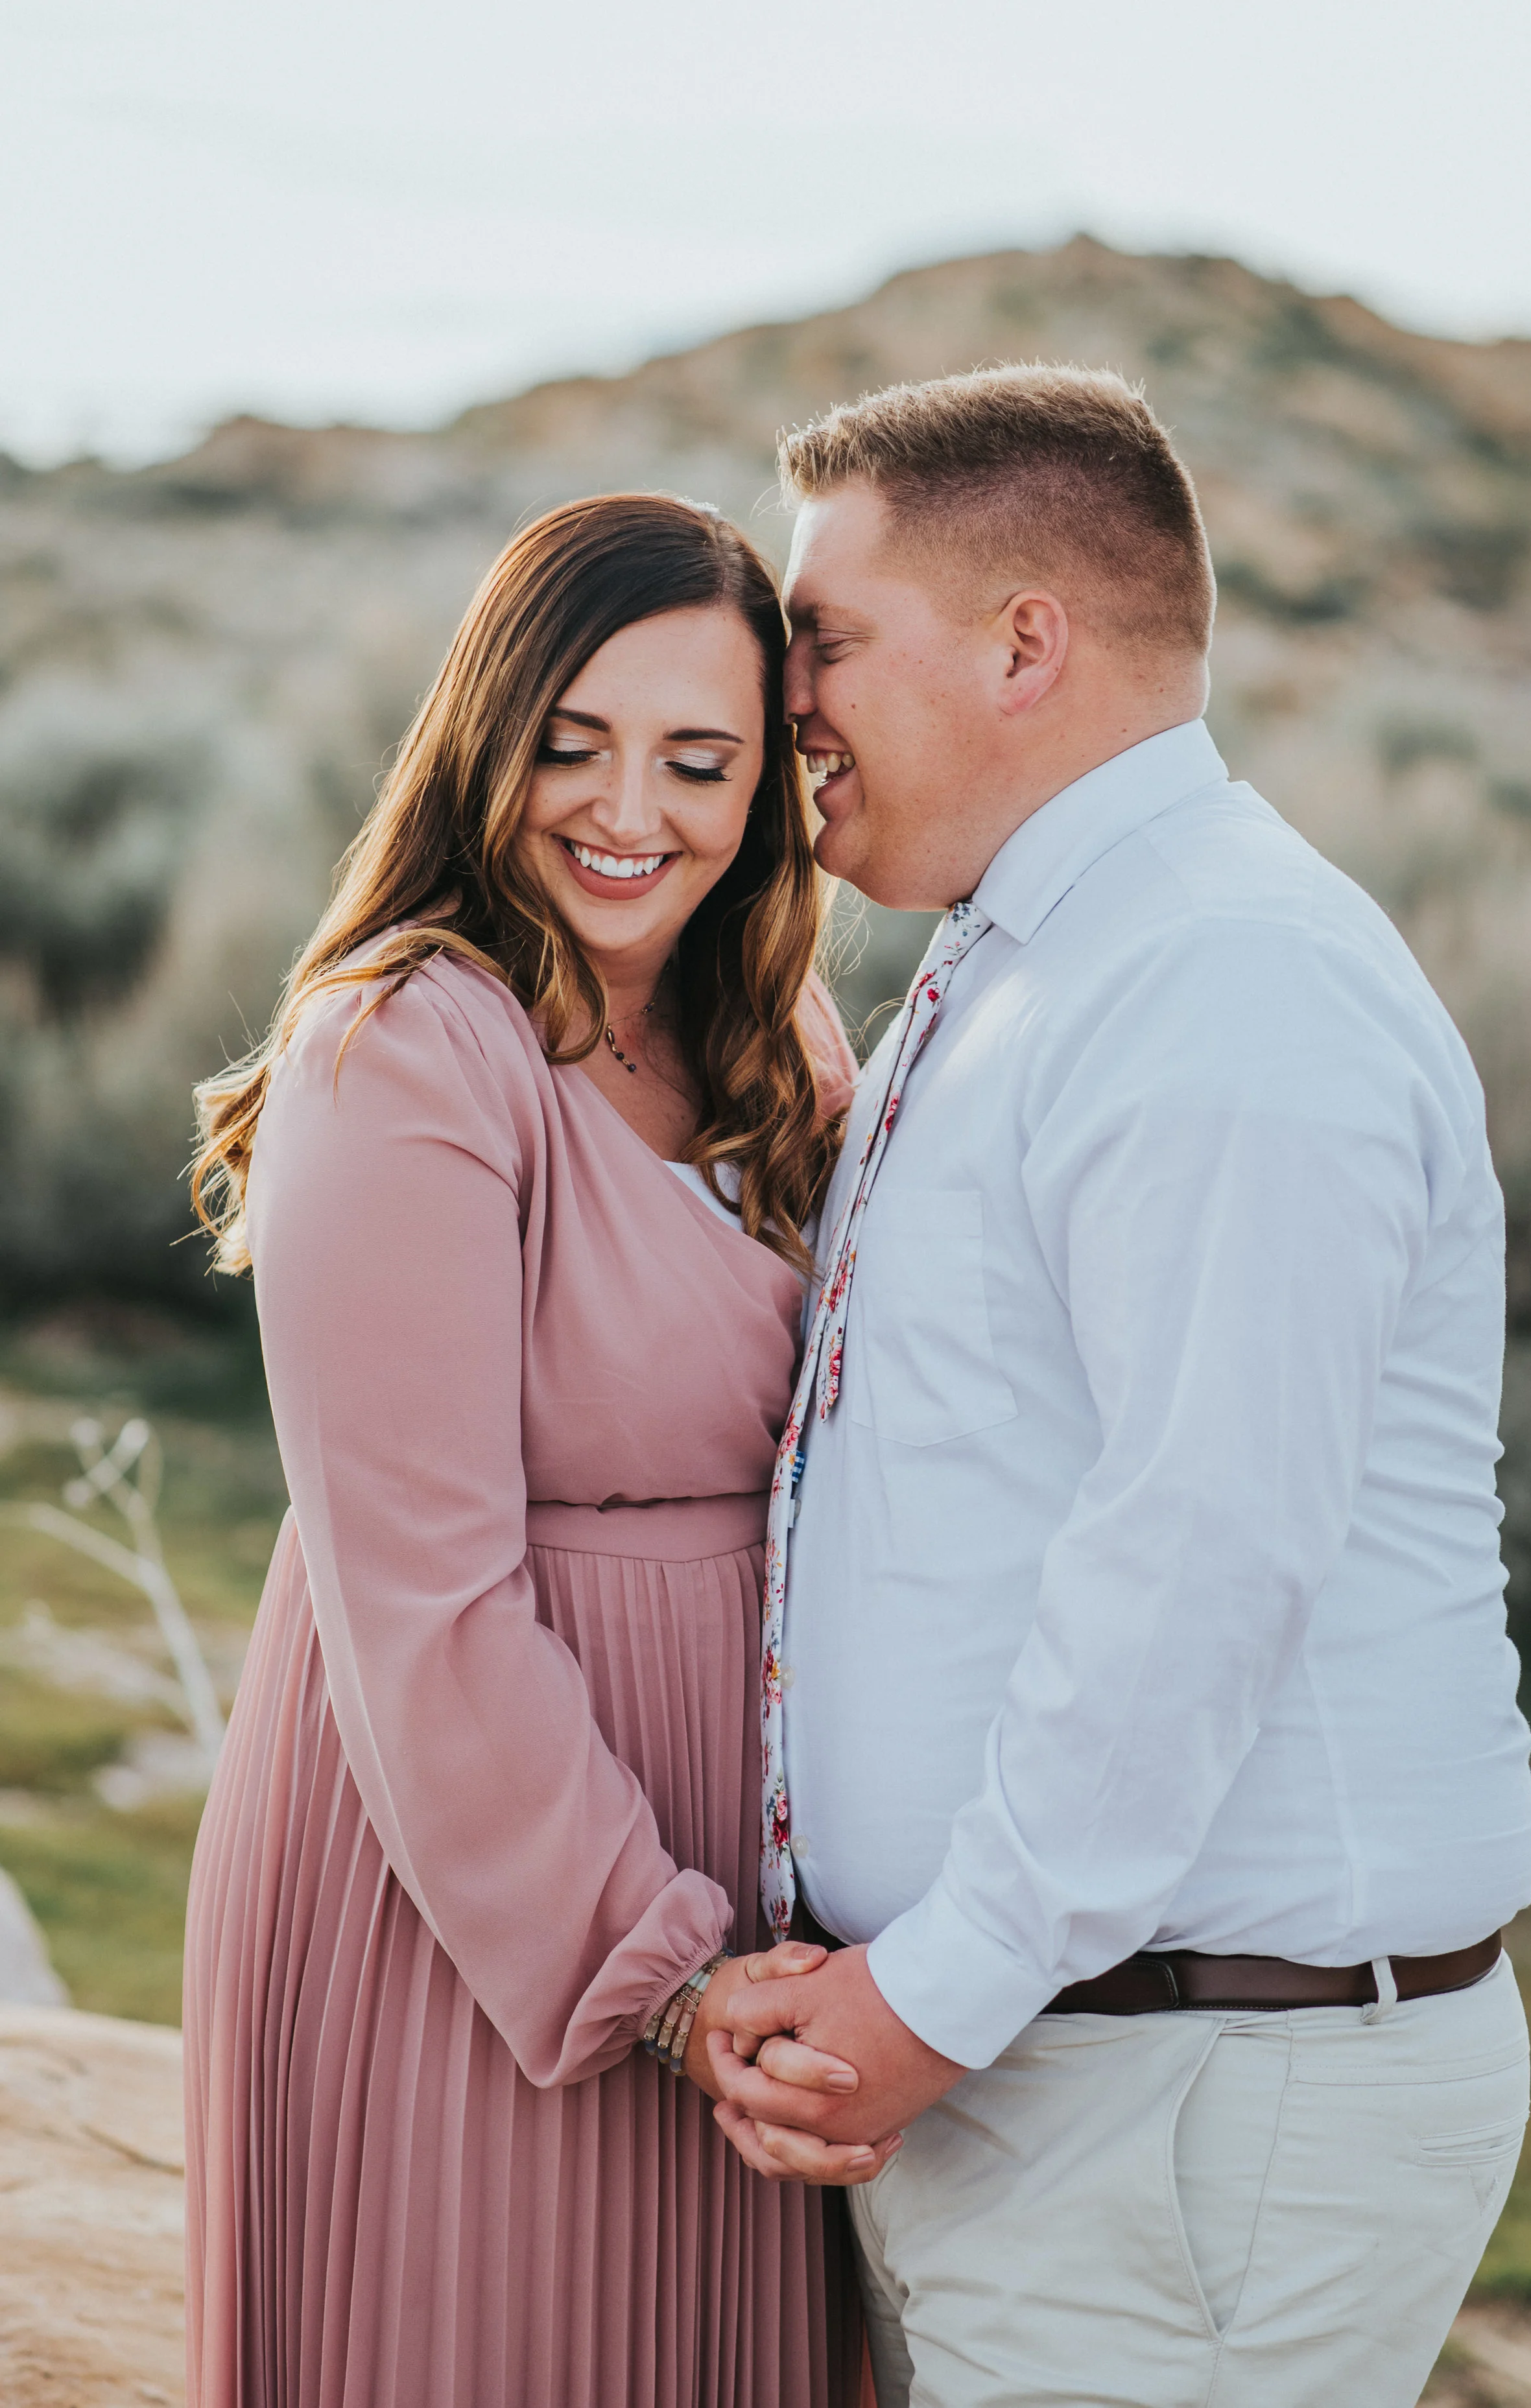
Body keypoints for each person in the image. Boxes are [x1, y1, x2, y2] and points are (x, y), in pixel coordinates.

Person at [708, 368, 1531, 2408]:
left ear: (1026, 642)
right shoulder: (1032, 962)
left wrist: (930, 1997)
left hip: (1194, 2110)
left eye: (824, 632)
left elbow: (1199, 1553)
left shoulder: (1218, 980)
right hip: (1098, 2080)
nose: (782, 691)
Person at [182, 491, 886, 2408]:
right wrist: (658, 1975)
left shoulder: (776, 1036)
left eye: (696, 757)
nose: (625, 808)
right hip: (478, 1879)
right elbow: (418, 1596)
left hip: (741, 1865)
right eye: (568, 742)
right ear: (482, 735)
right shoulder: (404, 1047)